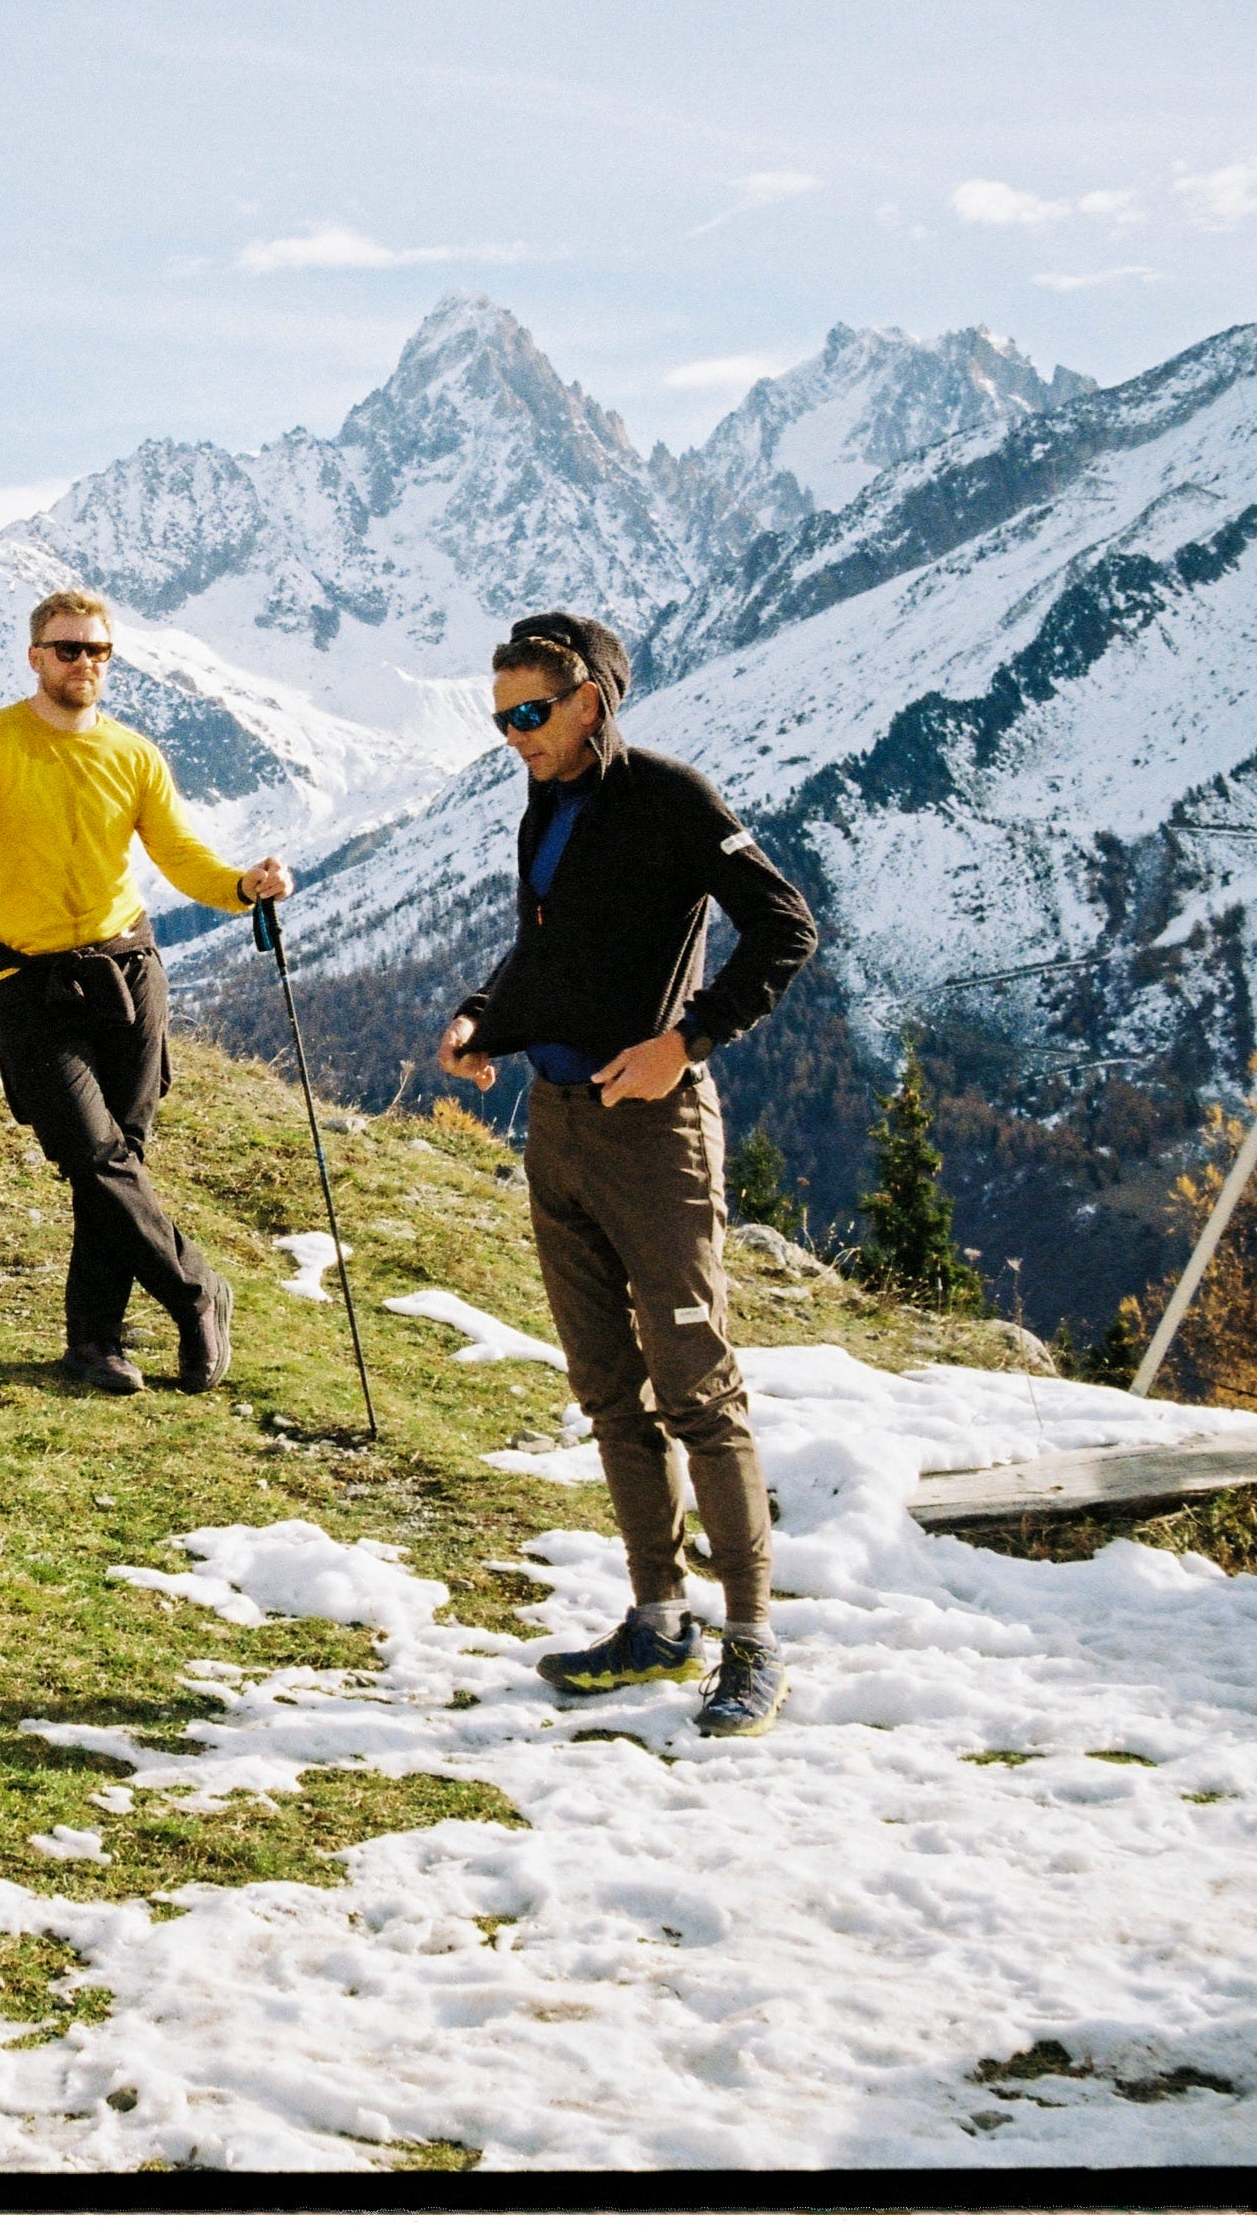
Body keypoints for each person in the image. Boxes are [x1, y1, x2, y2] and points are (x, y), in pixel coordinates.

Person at [436, 611, 818, 1740]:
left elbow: (784, 927)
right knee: (606, 1387)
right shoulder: (545, 802)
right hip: (556, 1125)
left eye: (530, 713)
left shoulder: (668, 796)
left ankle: (753, 1644)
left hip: (654, 1134)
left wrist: (685, 1043)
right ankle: (658, 1619)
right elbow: (549, 946)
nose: (514, 735)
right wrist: (483, 1016)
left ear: (590, 700)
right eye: (499, 718)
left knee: (697, 1388)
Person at [0, 588, 293, 1396]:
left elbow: (180, 855)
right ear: (35, 656)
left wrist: (242, 886)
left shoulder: (133, 754)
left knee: (115, 1163)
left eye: (97, 650)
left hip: (127, 972)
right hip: (28, 979)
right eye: (68, 649)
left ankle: (94, 1343)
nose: (83, 663)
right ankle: (194, 1290)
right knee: (90, 1154)